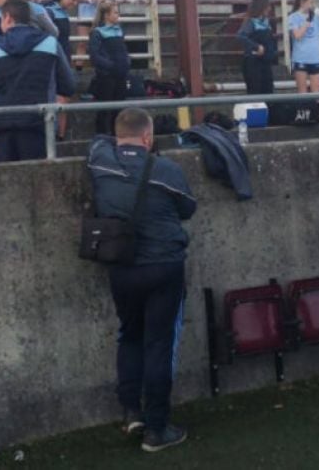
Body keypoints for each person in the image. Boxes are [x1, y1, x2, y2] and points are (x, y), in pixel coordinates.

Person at [88, 107, 196, 452]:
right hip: (164, 265)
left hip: (122, 265)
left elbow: (98, 143)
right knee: (159, 344)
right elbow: (188, 209)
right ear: (149, 138)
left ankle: (131, 410)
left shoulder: (100, 161)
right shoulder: (166, 170)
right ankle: (157, 427)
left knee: (129, 336)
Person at [0, 0, 75, 162]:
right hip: (40, 124)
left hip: (3, 124)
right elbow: (68, 85)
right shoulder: (50, 43)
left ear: (8, 18)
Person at [44, 0, 82, 140]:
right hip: (54, 59)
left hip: (65, 57)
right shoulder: (49, 11)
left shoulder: (63, 12)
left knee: (65, 97)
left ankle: (61, 134)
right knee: (59, 97)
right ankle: (54, 133)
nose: (74, 3)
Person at [89, 0, 130, 136]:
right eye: (116, 12)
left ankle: (116, 135)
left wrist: (126, 63)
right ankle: (102, 136)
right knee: (104, 109)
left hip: (121, 75)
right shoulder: (98, 32)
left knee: (119, 109)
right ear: (106, 15)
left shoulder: (119, 31)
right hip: (106, 76)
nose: (118, 15)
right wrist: (111, 66)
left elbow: (124, 50)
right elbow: (94, 56)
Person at [236, 0, 277, 96]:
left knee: (268, 90)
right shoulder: (250, 22)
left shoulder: (266, 22)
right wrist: (256, 46)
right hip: (253, 62)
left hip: (266, 62)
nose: (269, 9)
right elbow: (241, 36)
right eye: (267, 6)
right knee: (255, 91)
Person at [288, 0, 319, 93]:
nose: (313, 5)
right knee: (302, 92)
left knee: (316, 91)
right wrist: (307, 21)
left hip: (315, 58)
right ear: (302, 2)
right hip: (301, 58)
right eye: (311, 2)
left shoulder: (316, 17)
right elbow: (297, 35)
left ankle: (317, 109)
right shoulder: (293, 17)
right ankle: (304, 109)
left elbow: (318, 36)